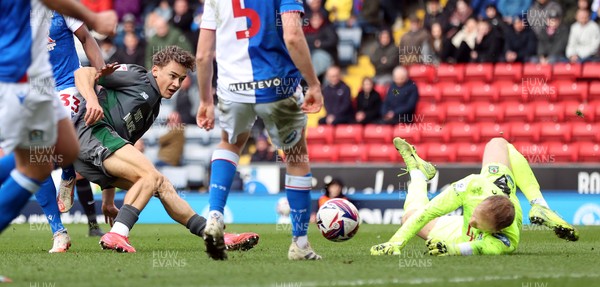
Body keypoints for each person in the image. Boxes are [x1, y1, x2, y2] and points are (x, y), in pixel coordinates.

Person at [196, 0, 324, 260]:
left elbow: (202, 55)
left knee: (230, 144)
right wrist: (313, 83)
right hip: (277, 85)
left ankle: (215, 215)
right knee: (296, 156)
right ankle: (299, 243)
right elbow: (293, 36)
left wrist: (205, 101)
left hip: (232, 87)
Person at [0, 0, 117, 234]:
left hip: (63, 86)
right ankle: (58, 230)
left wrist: (102, 78)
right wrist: (94, 18)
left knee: (64, 149)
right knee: (37, 159)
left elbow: (86, 38)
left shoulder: (56, 11)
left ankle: (67, 174)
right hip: (18, 85)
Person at [370, 137, 579, 256]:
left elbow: (476, 246)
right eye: (474, 215)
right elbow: (430, 211)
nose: (471, 220)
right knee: (497, 142)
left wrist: (451, 249)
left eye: (477, 223)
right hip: (490, 191)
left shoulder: (505, 241)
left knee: (408, 217)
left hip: (459, 237)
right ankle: (540, 204)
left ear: (496, 231)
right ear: (482, 202)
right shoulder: (475, 186)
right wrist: (396, 243)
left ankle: (418, 173)